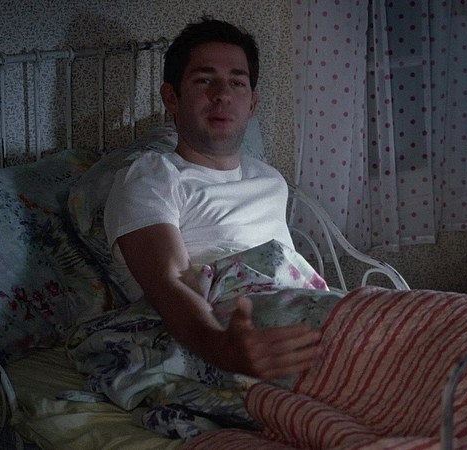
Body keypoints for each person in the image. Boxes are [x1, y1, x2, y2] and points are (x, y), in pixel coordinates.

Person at [103, 18, 321, 382]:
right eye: (204, 80)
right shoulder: (152, 177)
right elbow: (169, 282)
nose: (222, 95)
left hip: (291, 312)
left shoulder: (270, 180)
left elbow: (289, 275)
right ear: (171, 97)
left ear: (252, 103)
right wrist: (223, 349)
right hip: (218, 334)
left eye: (237, 82)